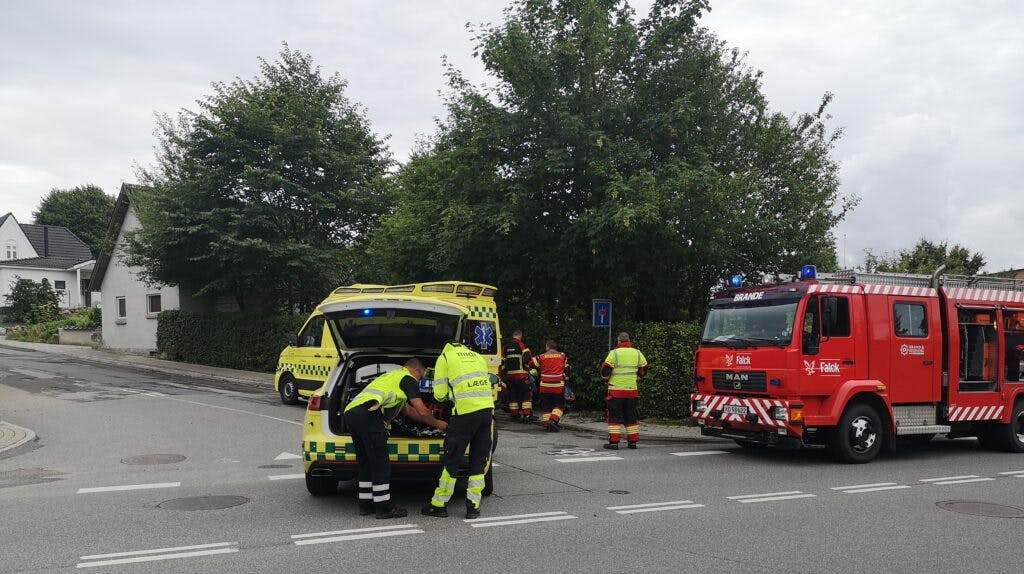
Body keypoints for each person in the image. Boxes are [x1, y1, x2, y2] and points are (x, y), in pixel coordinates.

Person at [343, 358, 447, 519]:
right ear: (417, 371)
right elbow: (422, 410)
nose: (420, 382)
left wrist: (428, 421)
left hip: (351, 414)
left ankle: (365, 505)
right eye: (422, 377)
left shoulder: (391, 378)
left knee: (366, 462)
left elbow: (410, 412)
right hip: (368, 415)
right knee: (380, 463)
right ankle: (384, 508)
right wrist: (438, 423)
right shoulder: (408, 379)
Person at [422, 342, 495, 519]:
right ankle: (473, 508)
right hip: (486, 413)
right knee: (478, 460)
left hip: (464, 415)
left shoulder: (445, 357)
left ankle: (439, 504)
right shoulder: (477, 357)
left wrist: (448, 396)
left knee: (452, 459)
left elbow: (439, 394)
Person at [600, 332, 648, 450]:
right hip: (632, 390)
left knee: (614, 417)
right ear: (629, 340)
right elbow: (644, 367)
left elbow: (605, 369)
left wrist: (605, 380)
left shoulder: (614, 353)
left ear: (618, 341)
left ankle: (614, 442)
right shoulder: (637, 353)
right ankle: (632, 442)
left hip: (616, 390)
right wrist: (638, 377)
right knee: (630, 416)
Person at [533, 340, 570, 432]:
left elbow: (533, 363)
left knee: (546, 406)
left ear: (547, 347)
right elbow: (568, 369)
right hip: (557, 385)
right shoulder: (562, 356)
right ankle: (553, 421)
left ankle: (547, 424)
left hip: (544, 385)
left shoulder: (542, 356)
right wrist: (566, 377)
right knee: (559, 405)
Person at [500, 330, 534, 422]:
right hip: (521, 375)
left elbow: (502, 363)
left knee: (513, 396)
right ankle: (526, 415)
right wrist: (528, 369)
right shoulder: (521, 345)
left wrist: (504, 374)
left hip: (510, 377)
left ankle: (514, 415)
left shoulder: (505, 347)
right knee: (526, 394)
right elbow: (527, 360)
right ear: (520, 336)